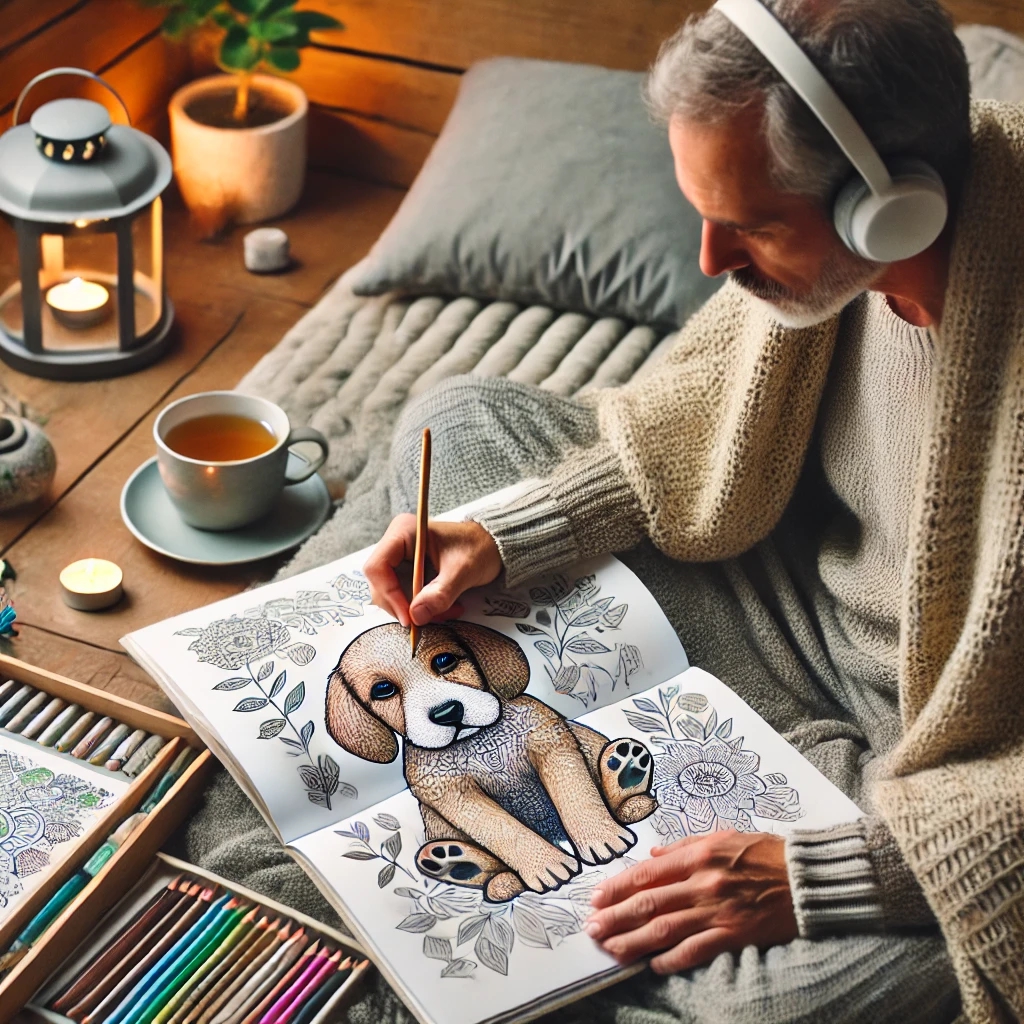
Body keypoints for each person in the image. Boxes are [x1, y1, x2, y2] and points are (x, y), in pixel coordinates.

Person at [363, 0, 1024, 1021]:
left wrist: (824, 877)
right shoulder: (809, 272)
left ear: (892, 209)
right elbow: (698, 415)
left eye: (752, 224)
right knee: (464, 420)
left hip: (945, 772)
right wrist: (508, 536)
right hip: (786, 614)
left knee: (775, 1005)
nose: (711, 263)